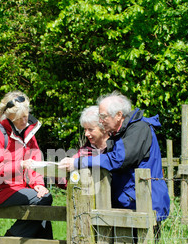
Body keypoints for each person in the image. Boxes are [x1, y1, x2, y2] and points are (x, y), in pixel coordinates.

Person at [59, 91, 170, 227]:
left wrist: (78, 162)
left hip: (143, 203)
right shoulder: (122, 133)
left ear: (118, 115)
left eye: (103, 116)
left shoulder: (138, 129)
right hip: (131, 203)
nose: (100, 121)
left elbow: (118, 160)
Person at [0, 90, 53, 240]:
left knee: (44, 217)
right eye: (20, 118)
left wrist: (37, 183)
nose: (25, 121)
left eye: (26, 115)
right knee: (44, 201)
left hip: (19, 187)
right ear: (9, 117)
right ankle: (8, 241)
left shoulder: (28, 133)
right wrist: (20, 165)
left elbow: (34, 160)